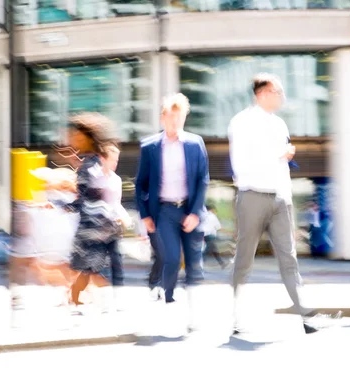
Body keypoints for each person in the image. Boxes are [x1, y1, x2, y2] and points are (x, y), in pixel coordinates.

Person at [228, 73, 316, 335]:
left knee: (289, 259)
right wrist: (279, 154)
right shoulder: (241, 122)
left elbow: (283, 166)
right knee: (244, 261)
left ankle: (306, 317)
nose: (282, 97)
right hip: (252, 196)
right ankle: (237, 318)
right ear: (263, 93)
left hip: (279, 199)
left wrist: (287, 198)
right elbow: (241, 165)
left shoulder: (280, 125)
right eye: (277, 92)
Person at [135, 93, 209, 309]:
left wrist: (195, 212)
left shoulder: (196, 144)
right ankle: (169, 297)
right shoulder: (149, 147)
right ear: (163, 118)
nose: (175, 122)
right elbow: (141, 184)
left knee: (194, 263)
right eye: (171, 117)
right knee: (172, 258)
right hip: (165, 211)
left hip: (189, 208)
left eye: (180, 117)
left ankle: (194, 306)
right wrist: (145, 215)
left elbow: (203, 179)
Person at [61, 113, 121, 309]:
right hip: (93, 226)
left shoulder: (92, 163)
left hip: (94, 228)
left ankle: (78, 299)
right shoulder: (89, 161)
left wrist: (66, 206)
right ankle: (77, 299)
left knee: (84, 268)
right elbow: (86, 196)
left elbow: (91, 196)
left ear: (86, 136)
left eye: (74, 135)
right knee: (86, 269)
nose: (71, 138)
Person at [98, 143, 132, 307]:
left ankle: (118, 298)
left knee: (117, 262)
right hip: (95, 228)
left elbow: (116, 204)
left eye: (117, 161)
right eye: (112, 160)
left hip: (112, 228)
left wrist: (124, 218)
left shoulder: (116, 180)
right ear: (102, 159)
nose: (115, 164)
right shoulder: (93, 178)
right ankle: (98, 298)